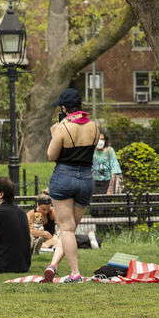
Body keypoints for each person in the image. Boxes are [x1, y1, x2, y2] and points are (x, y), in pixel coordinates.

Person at [42, 88, 98, 283]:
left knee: (66, 229)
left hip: (64, 176)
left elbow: (51, 155)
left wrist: (55, 133)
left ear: (64, 108)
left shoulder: (62, 128)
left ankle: (75, 273)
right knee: (70, 230)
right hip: (86, 178)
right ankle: (53, 265)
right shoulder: (94, 126)